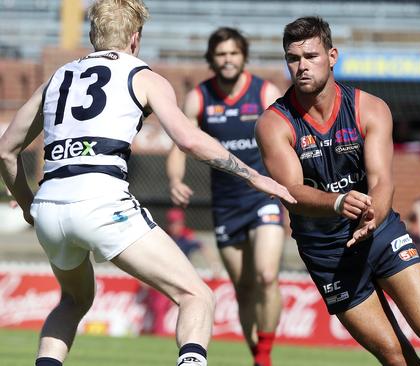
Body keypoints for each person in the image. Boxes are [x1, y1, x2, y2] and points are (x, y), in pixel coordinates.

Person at [0, 1, 295, 365]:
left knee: (73, 300)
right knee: (196, 296)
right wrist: (254, 176)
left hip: (50, 207)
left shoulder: (57, 78)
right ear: (135, 38)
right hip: (101, 201)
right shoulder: (143, 76)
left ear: (93, 35)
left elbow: (6, 152)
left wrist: (30, 206)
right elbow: (188, 139)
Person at [255, 16, 420, 366]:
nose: (302, 66)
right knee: (395, 357)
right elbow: (290, 191)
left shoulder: (370, 107)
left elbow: (383, 180)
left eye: (311, 56)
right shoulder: (274, 123)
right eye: (293, 58)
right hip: (327, 252)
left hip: (379, 230)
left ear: (332, 56)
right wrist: (338, 203)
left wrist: (373, 216)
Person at [166, 27, 285, 366]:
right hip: (226, 205)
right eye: (221, 54)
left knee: (265, 275)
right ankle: (257, 355)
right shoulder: (200, 98)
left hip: (263, 198)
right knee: (244, 287)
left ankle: (264, 356)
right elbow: (181, 144)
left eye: (234, 53)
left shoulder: (265, 92)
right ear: (212, 59)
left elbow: (286, 136)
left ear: (243, 56)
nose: (228, 59)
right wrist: (175, 178)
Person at [141, 208, 221, 335]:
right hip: (164, 275)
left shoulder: (187, 236)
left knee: (195, 303)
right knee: (158, 305)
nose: (174, 226)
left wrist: (215, 266)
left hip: (182, 277)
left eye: (177, 223)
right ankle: (159, 333)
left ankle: (190, 334)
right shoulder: (164, 235)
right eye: (171, 223)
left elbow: (205, 249)